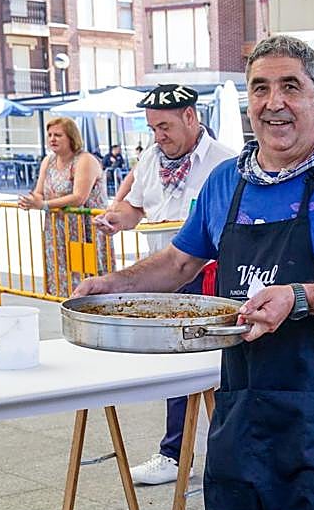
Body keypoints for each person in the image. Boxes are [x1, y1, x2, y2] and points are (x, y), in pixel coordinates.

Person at [74, 35, 314, 510]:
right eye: (260, 89)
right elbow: (178, 263)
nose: (274, 103)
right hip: (240, 404)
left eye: (290, 87)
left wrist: (299, 298)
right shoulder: (226, 182)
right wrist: (113, 285)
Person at [93, 84, 237, 486]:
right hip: (162, 278)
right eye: (153, 127)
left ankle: (193, 452)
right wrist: (116, 219)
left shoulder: (225, 162)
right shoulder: (150, 160)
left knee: (214, 369)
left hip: (208, 276)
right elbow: (136, 207)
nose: (159, 136)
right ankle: (177, 453)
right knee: (178, 366)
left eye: (165, 126)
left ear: (190, 117)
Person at [19, 116, 109, 296]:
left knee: (85, 276)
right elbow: (39, 190)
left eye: (58, 135)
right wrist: (30, 200)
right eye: (50, 134)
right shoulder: (48, 161)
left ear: (71, 137)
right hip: (57, 229)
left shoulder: (85, 160)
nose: (52, 139)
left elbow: (78, 197)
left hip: (84, 229)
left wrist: (44, 205)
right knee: (62, 278)